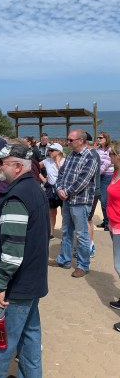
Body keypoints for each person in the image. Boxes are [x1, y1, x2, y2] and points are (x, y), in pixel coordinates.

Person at [0, 143, 50, 376]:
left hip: (14, 290)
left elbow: (12, 252)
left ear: (18, 167)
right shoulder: (33, 188)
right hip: (30, 284)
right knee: (29, 344)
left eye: (3, 163)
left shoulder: (17, 197)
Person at [51, 129, 98, 277]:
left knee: (82, 235)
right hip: (67, 200)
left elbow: (83, 180)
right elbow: (62, 174)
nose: (67, 142)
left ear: (81, 140)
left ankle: (83, 266)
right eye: (68, 139)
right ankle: (64, 259)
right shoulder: (71, 155)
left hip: (80, 202)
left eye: (70, 140)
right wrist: (59, 189)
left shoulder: (90, 157)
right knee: (66, 231)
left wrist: (66, 192)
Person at [102, 143, 120, 333]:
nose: (109, 156)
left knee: (119, 265)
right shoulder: (116, 173)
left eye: (112, 154)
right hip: (114, 224)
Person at [40, 143, 65, 235]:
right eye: (49, 150)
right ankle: (51, 232)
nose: (49, 152)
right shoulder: (47, 161)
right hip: (51, 189)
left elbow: (66, 175)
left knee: (64, 213)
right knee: (51, 212)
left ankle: (65, 233)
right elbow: (35, 168)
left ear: (59, 152)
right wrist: (43, 179)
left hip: (63, 189)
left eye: (52, 150)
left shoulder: (65, 161)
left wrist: (58, 164)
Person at [93, 132, 113, 229]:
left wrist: (94, 175)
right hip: (99, 176)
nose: (98, 139)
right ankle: (106, 221)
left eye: (100, 137)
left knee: (105, 200)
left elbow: (105, 164)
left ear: (106, 138)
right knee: (102, 199)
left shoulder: (110, 150)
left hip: (107, 177)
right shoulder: (98, 150)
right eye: (98, 137)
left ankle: (108, 222)